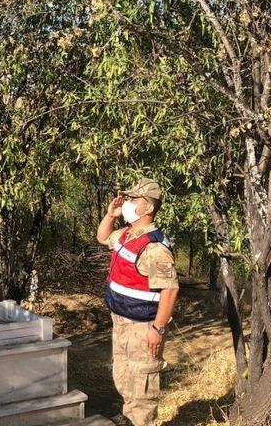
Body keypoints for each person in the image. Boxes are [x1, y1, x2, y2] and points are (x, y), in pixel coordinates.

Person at [96, 177, 179, 426]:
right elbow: (102, 237)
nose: (127, 202)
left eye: (134, 199)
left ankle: (140, 421)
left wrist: (158, 329)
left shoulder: (154, 248)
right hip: (121, 322)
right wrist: (110, 215)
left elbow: (170, 290)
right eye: (128, 198)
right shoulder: (126, 234)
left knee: (142, 388)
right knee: (124, 377)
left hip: (143, 329)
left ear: (149, 207)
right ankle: (129, 419)